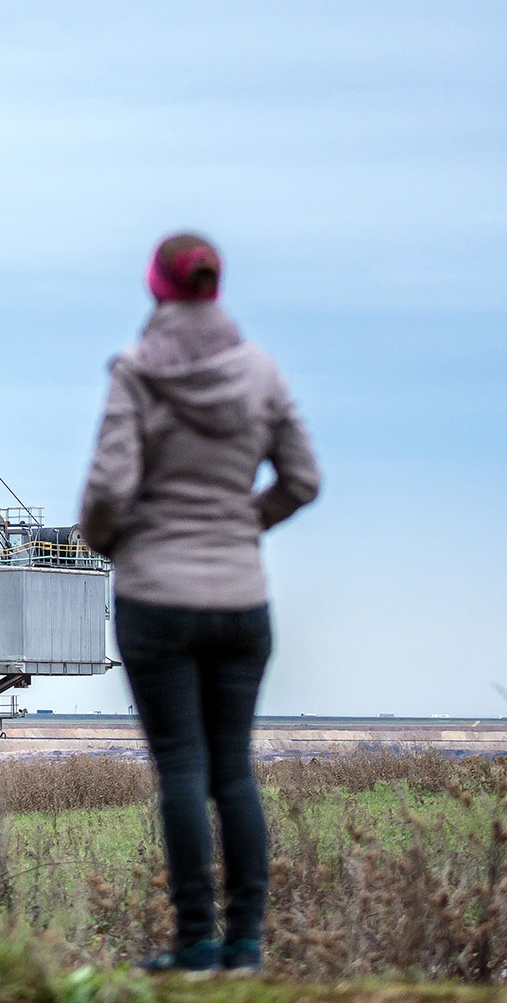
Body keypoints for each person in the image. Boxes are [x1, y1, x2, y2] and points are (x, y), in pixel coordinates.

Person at [79, 233, 320, 975]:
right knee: (233, 771)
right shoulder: (261, 374)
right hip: (242, 601)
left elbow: (110, 490)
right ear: (215, 288)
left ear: (157, 288)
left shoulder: (136, 374)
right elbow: (303, 478)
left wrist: (113, 539)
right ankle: (247, 946)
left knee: (181, 769)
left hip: (156, 596)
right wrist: (246, 520)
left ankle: (195, 944)